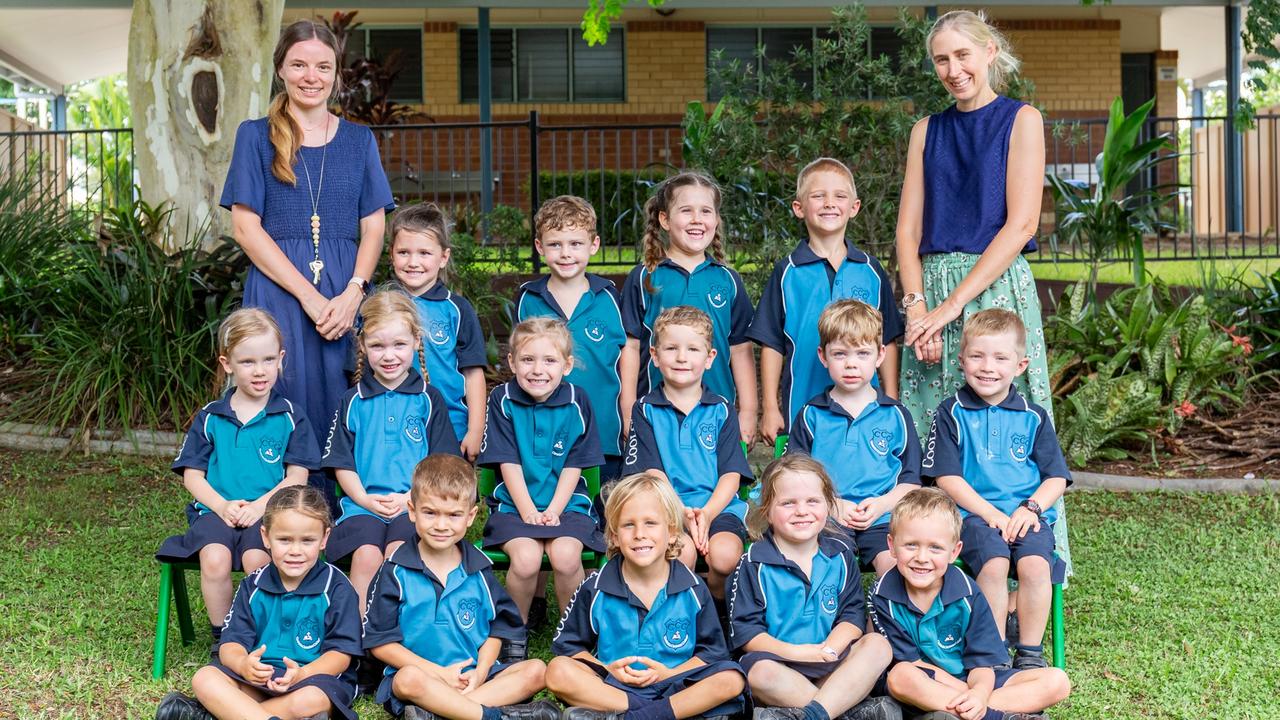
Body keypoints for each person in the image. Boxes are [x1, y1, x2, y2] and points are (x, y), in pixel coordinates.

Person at [220, 20, 395, 508]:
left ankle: (351, 518)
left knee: (345, 396)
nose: (310, 76)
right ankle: (279, 521)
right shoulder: (255, 137)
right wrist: (310, 294)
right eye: (299, 64)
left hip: (345, 291)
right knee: (282, 392)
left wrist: (354, 291)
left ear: (337, 75)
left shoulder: (359, 141)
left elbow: (375, 226)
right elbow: (245, 229)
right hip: (280, 290)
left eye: (323, 66)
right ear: (280, 69)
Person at [158, 308, 319, 644]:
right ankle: (223, 639)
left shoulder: (290, 417)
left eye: (268, 359)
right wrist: (222, 506)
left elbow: (297, 477)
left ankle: (260, 636)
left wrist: (260, 507)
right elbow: (192, 476)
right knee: (215, 560)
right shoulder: (211, 417)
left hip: (270, 514)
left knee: (258, 561)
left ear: (281, 359)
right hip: (217, 512)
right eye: (247, 362)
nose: (259, 371)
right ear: (227, 363)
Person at [922, 309, 1071, 671]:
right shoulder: (950, 412)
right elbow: (947, 478)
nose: (988, 367)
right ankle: (996, 651)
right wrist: (990, 514)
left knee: (1036, 566)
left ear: (1020, 366)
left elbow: (1055, 478)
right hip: (975, 518)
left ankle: (1031, 653)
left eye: (1000, 358)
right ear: (961, 361)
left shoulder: (1033, 416)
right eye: (977, 356)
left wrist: (1030, 509)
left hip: (1025, 518)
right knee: (994, 564)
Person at [363, 454, 560, 720]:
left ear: (470, 516)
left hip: (472, 678)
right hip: (421, 676)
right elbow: (380, 643)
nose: (441, 525)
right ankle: (490, 716)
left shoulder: (479, 570)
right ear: (412, 510)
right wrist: (439, 673)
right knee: (407, 680)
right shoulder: (394, 571)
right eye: (430, 513)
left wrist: (480, 673)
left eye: (454, 515)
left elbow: (497, 629)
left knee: (536, 670)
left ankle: (445, 711)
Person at [546, 472, 746, 720]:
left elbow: (712, 653)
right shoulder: (594, 587)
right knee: (557, 671)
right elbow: (569, 648)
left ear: (672, 533)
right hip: (615, 686)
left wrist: (668, 674)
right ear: (615, 536)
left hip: (675, 684)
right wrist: (608, 669)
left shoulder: (692, 588)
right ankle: (662, 714)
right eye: (628, 525)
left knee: (732, 679)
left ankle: (630, 716)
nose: (640, 533)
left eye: (650, 523)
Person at [156, 485, 363, 720]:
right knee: (204, 678)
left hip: (312, 679)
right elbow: (230, 645)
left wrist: (303, 673)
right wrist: (244, 664)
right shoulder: (252, 585)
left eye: (307, 540)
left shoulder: (337, 587)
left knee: (313, 700)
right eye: (284, 540)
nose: (295, 550)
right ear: (265, 537)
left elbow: (341, 656)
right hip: (258, 681)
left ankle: (222, 715)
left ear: (324, 538)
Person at [873, 488, 1071, 720]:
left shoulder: (968, 593)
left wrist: (978, 693)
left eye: (935, 547)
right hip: (929, 684)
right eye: (911, 545)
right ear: (891, 545)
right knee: (900, 676)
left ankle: (963, 713)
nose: (922, 557)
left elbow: (983, 665)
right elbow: (912, 664)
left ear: (954, 551)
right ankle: (996, 716)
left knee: (1057, 681)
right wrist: (970, 696)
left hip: (977, 681)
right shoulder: (883, 596)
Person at [727, 455, 897, 720]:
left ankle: (812, 714)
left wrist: (828, 649)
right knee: (758, 673)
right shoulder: (753, 563)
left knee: (878, 645)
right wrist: (799, 652)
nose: (802, 511)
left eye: (812, 501)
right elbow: (748, 634)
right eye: (788, 503)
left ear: (828, 506)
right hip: (781, 665)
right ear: (766, 511)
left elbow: (852, 616)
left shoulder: (840, 556)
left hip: (831, 662)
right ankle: (845, 710)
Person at [321, 290, 462, 610]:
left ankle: (401, 639)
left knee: (401, 552)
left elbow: (442, 467)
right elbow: (342, 464)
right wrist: (365, 499)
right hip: (362, 506)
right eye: (378, 346)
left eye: (399, 345)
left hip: (417, 506)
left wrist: (413, 499)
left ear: (416, 341)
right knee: (368, 556)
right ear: (363, 346)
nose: (389, 355)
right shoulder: (352, 401)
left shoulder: (430, 399)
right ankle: (354, 642)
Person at [751, 158, 904, 442]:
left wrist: (891, 396)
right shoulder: (787, 273)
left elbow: (888, 339)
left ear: (854, 207)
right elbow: (771, 342)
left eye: (840, 196)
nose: (829, 203)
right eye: (818, 196)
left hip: (864, 406)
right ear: (799, 208)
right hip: (802, 403)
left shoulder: (869, 270)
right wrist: (770, 407)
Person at [623, 306, 753, 605]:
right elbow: (651, 475)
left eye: (693, 349)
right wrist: (680, 512)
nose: (682, 357)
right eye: (671, 348)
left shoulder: (721, 409)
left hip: (718, 508)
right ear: (654, 356)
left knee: (723, 557)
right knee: (682, 554)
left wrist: (706, 514)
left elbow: (731, 474)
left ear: (709, 359)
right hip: (665, 509)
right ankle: (681, 614)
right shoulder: (644, 410)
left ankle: (716, 608)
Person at [478, 317, 605, 621]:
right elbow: (507, 462)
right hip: (513, 506)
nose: (538, 370)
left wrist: (554, 511)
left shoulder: (578, 401)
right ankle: (513, 634)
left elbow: (575, 465)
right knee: (525, 560)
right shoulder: (502, 400)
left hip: (569, 505)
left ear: (567, 365)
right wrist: (528, 512)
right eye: (527, 360)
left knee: (565, 557)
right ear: (512, 361)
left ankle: (572, 634)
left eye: (549, 360)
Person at [620, 171, 757, 447]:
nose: (697, 219)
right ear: (664, 220)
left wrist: (749, 411)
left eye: (706, 211)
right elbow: (631, 347)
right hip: (656, 410)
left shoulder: (727, 280)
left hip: (716, 412)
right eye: (686, 211)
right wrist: (628, 408)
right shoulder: (646, 277)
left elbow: (741, 349)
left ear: (716, 220)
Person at [786, 300, 921, 576]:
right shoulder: (811, 414)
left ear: (880, 355)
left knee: (895, 569)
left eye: (862, 353)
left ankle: (879, 619)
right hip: (826, 518)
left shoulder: (897, 416)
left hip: (883, 518)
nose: (851, 364)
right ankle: (841, 619)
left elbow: (911, 483)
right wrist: (833, 505)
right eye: (840, 354)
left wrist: (882, 504)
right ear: (823, 356)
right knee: (828, 568)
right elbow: (795, 479)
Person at [515, 195, 627, 483]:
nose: (566, 253)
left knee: (605, 513)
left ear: (594, 245)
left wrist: (628, 410)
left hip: (604, 432)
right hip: (544, 435)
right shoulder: (528, 299)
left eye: (575, 244)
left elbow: (627, 356)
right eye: (555, 244)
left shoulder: (611, 298)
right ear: (540, 247)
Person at [387, 202, 489, 461]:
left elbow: (473, 372)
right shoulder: (381, 304)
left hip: (450, 424)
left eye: (424, 253)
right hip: (391, 425)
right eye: (403, 252)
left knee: (446, 496)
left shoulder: (457, 309)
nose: (413, 262)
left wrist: (476, 429)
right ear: (391, 255)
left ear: (443, 257)